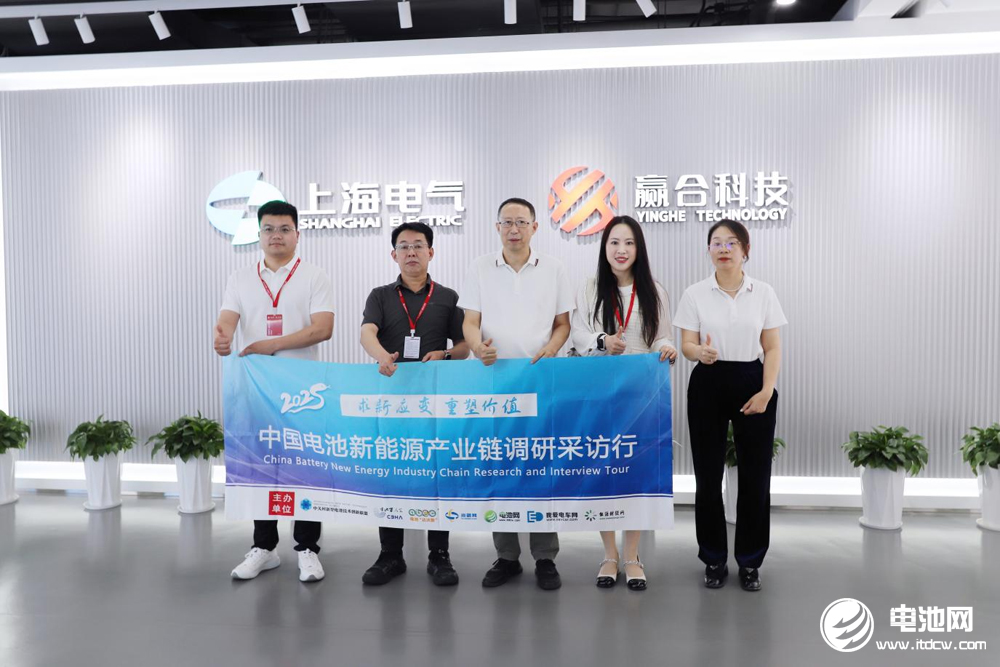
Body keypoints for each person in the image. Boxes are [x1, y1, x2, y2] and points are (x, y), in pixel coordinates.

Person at [214, 200, 335, 583]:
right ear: (259, 234)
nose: (276, 235)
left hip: (303, 392)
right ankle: (264, 548)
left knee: (305, 470)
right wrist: (223, 335)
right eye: (268, 229)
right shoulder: (240, 277)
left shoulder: (314, 275)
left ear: (297, 234)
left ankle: (307, 549)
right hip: (256, 391)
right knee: (261, 466)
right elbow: (228, 318)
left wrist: (271, 344)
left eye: (284, 229)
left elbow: (323, 329)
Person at [459, 197, 574, 591]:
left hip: (540, 381)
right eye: (506, 222)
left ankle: (545, 557)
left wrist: (552, 350)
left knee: (540, 465)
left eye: (521, 222)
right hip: (495, 383)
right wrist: (478, 347)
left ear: (534, 227)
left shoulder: (554, 268)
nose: (514, 229)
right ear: (497, 227)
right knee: (501, 465)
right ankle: (506, 556)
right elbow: (470, 322)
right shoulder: (480, 267)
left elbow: (563, 324)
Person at [673, 219, 786, 592]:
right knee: (707, 477)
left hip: (753, 381)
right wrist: (699, 353)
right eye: (717, 242)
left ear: (745, 250)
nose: (723, 248)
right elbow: (687, 344)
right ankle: (714, 558)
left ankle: (750, 561)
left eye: (732, 242)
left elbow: (772, 347)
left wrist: (767, 390)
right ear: (708, 250)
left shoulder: (763, 292)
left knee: (756, 477)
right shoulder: (695, 293)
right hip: (708, 380)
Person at [358, 222, 470, 587]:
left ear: (431, 252)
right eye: (404, 246)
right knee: (391, 474)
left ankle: (439, 555)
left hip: (435, 403)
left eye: (418, 245)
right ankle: (390, 554)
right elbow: (367, 332)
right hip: (392, 402)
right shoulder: (380, 295)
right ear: (394, 255)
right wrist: (381, 356)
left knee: (437, 474)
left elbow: (464, 346)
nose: (411, 252)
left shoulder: (448, 297)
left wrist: (446, 355)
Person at [570, 215, 677, 592]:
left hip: (640, 398)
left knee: (635, 475)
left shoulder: (654, 291)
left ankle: (632, 556)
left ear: (638, 249)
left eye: (629, 243)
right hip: (600, 395)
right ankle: (609, 554)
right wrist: (603, 341)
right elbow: (578, 333)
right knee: (604, 474)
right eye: (614, 242)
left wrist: (667, 348)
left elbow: (662, 336)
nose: (621, 250)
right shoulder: (589, 288)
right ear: (604, 247)